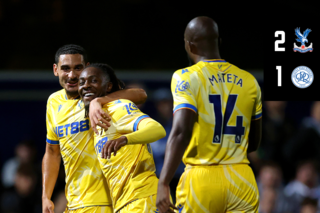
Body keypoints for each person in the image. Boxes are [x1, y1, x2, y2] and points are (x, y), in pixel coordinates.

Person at [156, 16, 262, 213]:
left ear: (190, 45)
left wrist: (163, 182)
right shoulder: (250, 81)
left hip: (201, 178)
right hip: (242, 177)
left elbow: (181, 131)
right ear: (218, 42)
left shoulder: (186, 77)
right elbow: (253, 143)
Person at [42, 44, 148, 213]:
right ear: (56, 70)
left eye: (78, 68)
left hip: (110, 200)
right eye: (65, 69)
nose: (72, 75)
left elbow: (141, 94)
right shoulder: (53, 102)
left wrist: (99, 101)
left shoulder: (98, 95)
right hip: (75, 202)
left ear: (87, 68)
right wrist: (46, 196)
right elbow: (52, 152)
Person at [78, 63, 166, 213]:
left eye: (93, 81)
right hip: (126, 203)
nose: (86, 85)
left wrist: (124, 140)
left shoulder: (118, 107)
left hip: (142, 199)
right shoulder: (98, 117)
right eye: (82, 82)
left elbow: (157, 129)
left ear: (109, 86)